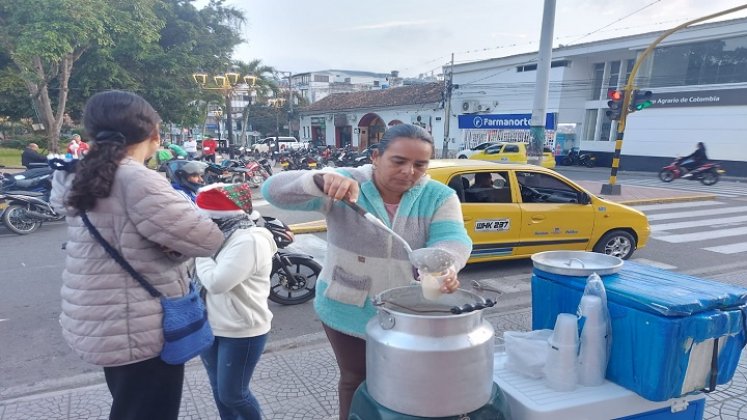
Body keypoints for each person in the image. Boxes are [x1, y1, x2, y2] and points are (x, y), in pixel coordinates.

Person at [261, 123, 472, 419]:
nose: (409, 171)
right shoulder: (346, 183)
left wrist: (445, 264)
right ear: (376, 156)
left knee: (405, 382)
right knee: (354, 379)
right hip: (346, 304)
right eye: (398, 161)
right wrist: (318, 180)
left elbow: (453, 239)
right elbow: (273, 191)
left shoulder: (439, 196)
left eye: (420, 164)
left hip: (408, 312)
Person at [49, 90, 224, 420]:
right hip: (139, 328)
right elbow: (206, 239)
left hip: (100, 321)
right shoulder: (137, 179)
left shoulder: (75, 173)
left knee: (130, 406)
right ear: (154, 134)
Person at [194, 183, 277, 420]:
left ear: (215, 217)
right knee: (219, 390)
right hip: (209, 325)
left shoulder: (248, 240)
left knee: (234, 395)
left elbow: (217, 282)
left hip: (242, 330)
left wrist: (200, 250)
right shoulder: (217, 236)